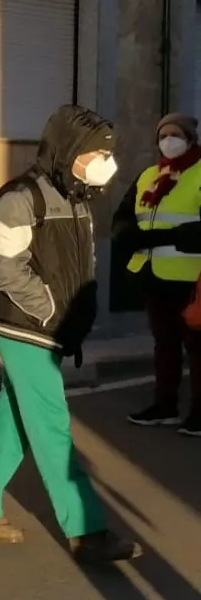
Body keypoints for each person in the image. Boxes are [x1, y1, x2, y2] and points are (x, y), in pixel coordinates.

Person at [0, 105, 140, 562]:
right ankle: (87, 531)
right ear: (67, 151)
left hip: (49, 326)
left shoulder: (77, 197)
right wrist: (50, 310)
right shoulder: (22, 197)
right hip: (23, 325)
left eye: (106, 153)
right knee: (52, 423)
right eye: (93, 154)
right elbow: (2, 270)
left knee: (18, 414)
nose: (104, 163)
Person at [114, 113, 201, 433]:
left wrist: (163, 237)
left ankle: (200, 413)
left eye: (176, 134)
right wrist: (127, 235)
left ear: (190, 138)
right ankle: (164, 405)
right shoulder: (148, 175)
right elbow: (124, 216)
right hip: (153, 275)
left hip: (191, 277)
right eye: (164, 135)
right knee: (164, 345)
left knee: (197, 348)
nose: (169, 140)